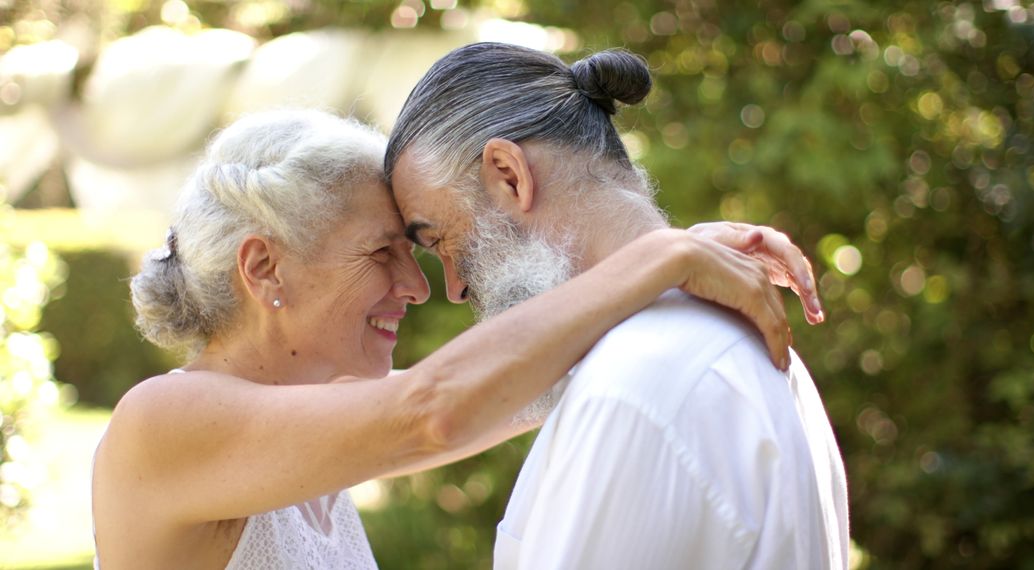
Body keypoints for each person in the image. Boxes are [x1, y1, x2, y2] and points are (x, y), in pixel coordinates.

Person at [92, 109, 823, 568]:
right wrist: (656, 257)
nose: (416, 286)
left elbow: (497, 400)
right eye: (383, 253)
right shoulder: (162, 424)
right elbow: (433, 412)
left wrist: (663, 266)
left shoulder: (299, 429)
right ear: (263, 267)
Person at [384, 43, 848, 568]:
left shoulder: (630, 388)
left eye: (443, 240)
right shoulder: (725, 338)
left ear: (509, 175)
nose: (454, 287)